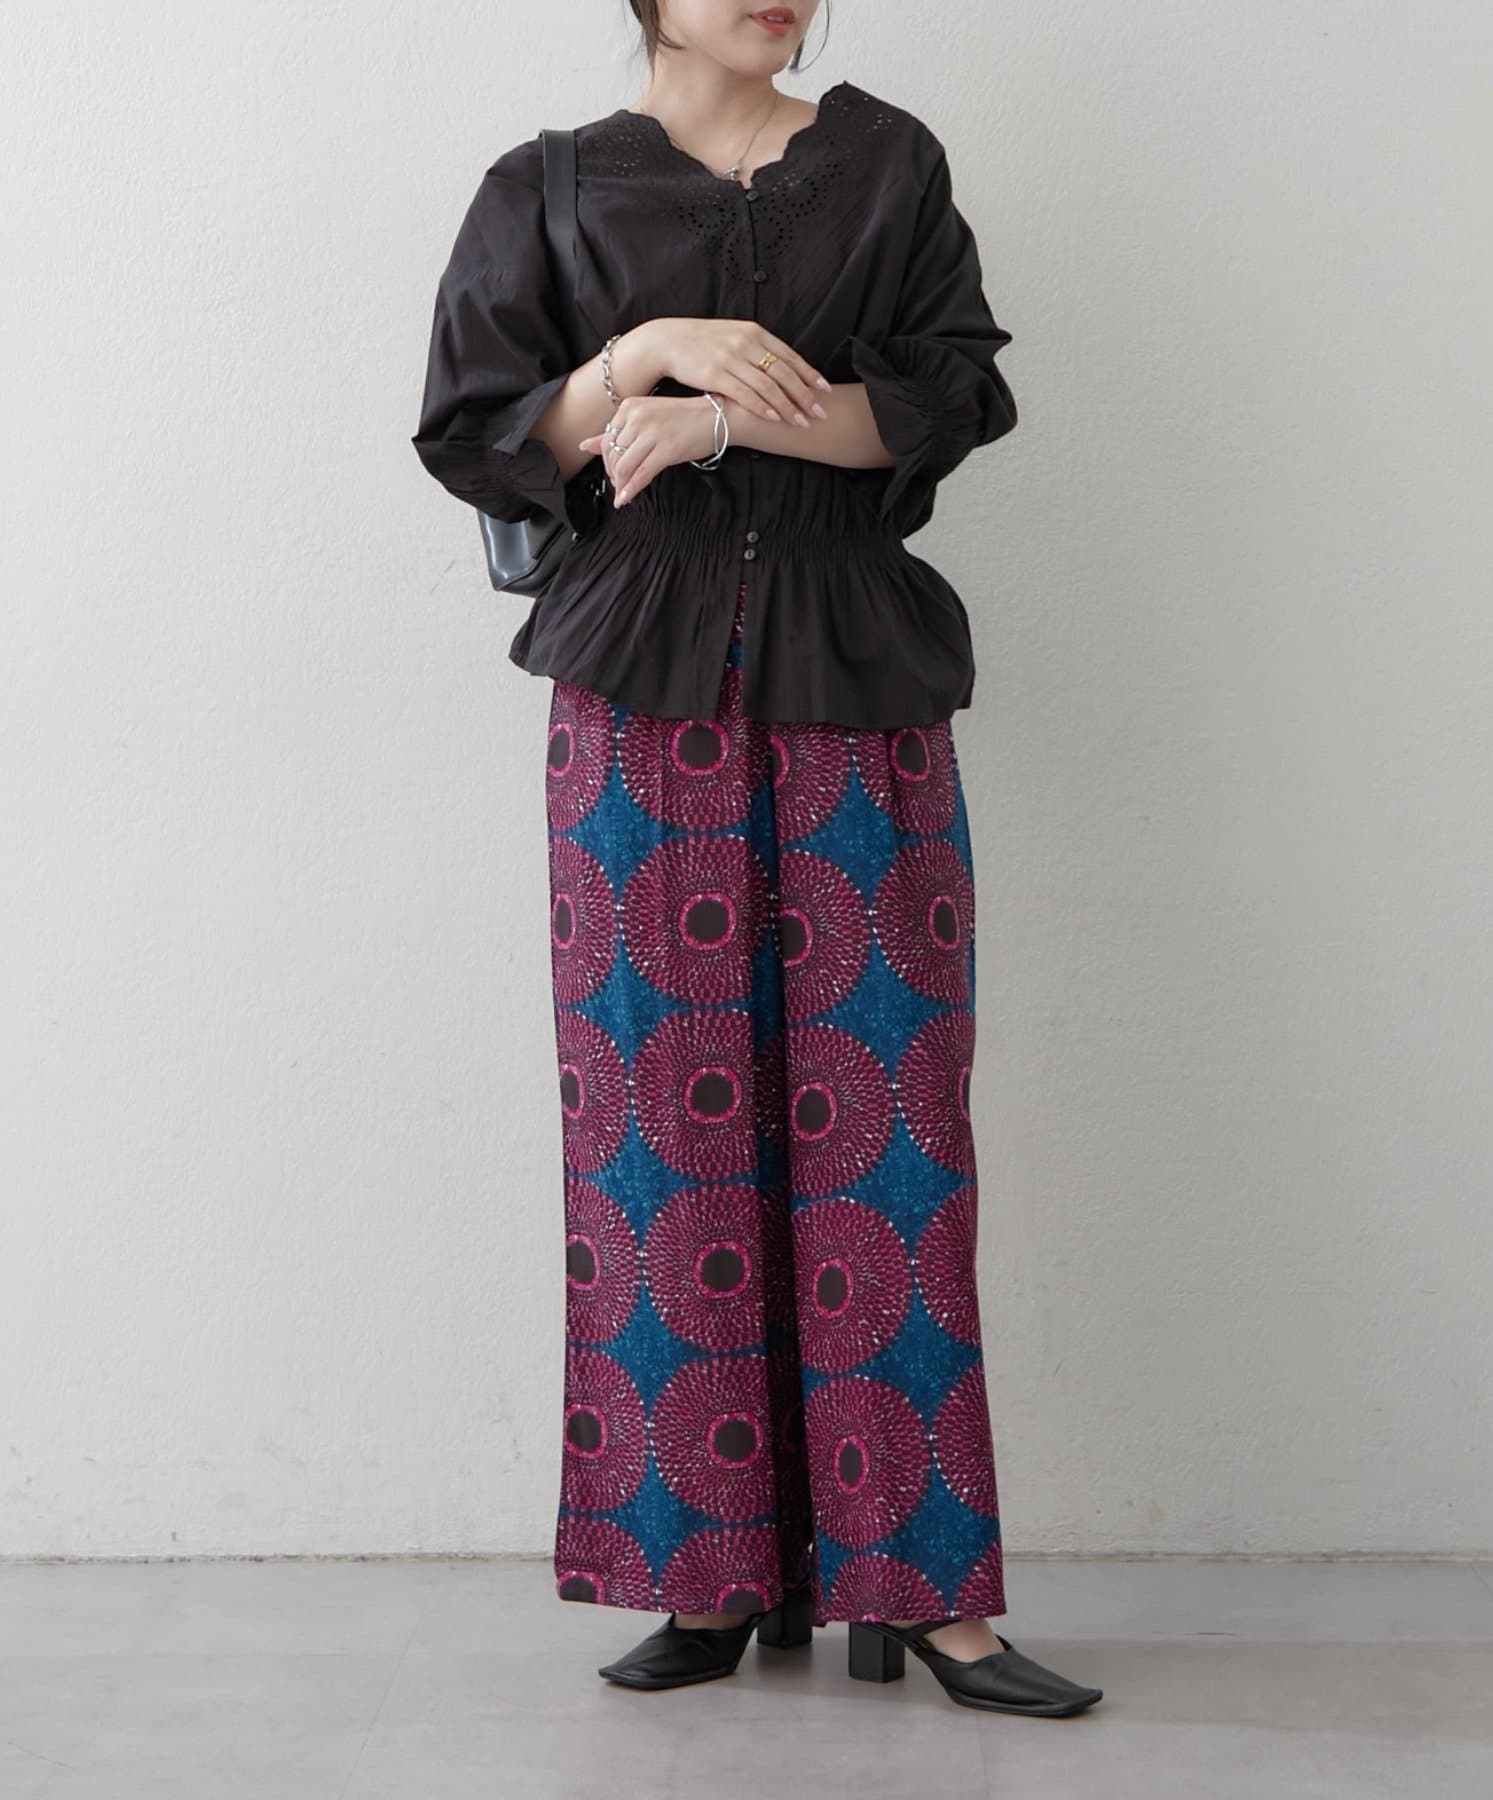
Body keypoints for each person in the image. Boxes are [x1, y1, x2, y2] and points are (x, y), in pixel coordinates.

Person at [411, 0, 1102, 1718]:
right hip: (635, 698)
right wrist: (644, 352)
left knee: (891, 1140)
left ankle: (926, 1594)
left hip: (854, 676)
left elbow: (946, 399)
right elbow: (482, 432)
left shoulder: (886, 165)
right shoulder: (545, 190)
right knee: (657, 1137)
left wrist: (734, 418)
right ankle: (704, 1574)